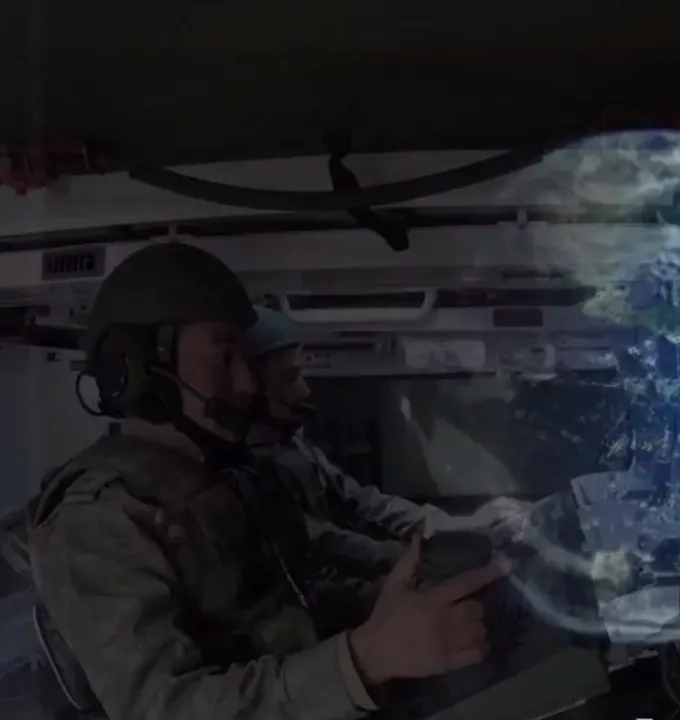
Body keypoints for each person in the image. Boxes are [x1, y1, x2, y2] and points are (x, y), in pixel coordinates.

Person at [25, 242, 508, 720]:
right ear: (134, 369)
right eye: (225, 357)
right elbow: (165, 708)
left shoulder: (231, 476)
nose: (246, 384)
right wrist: (364, 659)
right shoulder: (97, 518)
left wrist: (398, 604)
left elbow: (293, 600)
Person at [243, 305, 532, 578]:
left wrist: (454, 524)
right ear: (250, 388)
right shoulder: (248, 472)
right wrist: (423, 560)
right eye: (290, 378)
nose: (305, 390)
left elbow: (361, 501)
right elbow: (323, 542)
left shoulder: (292, 444)